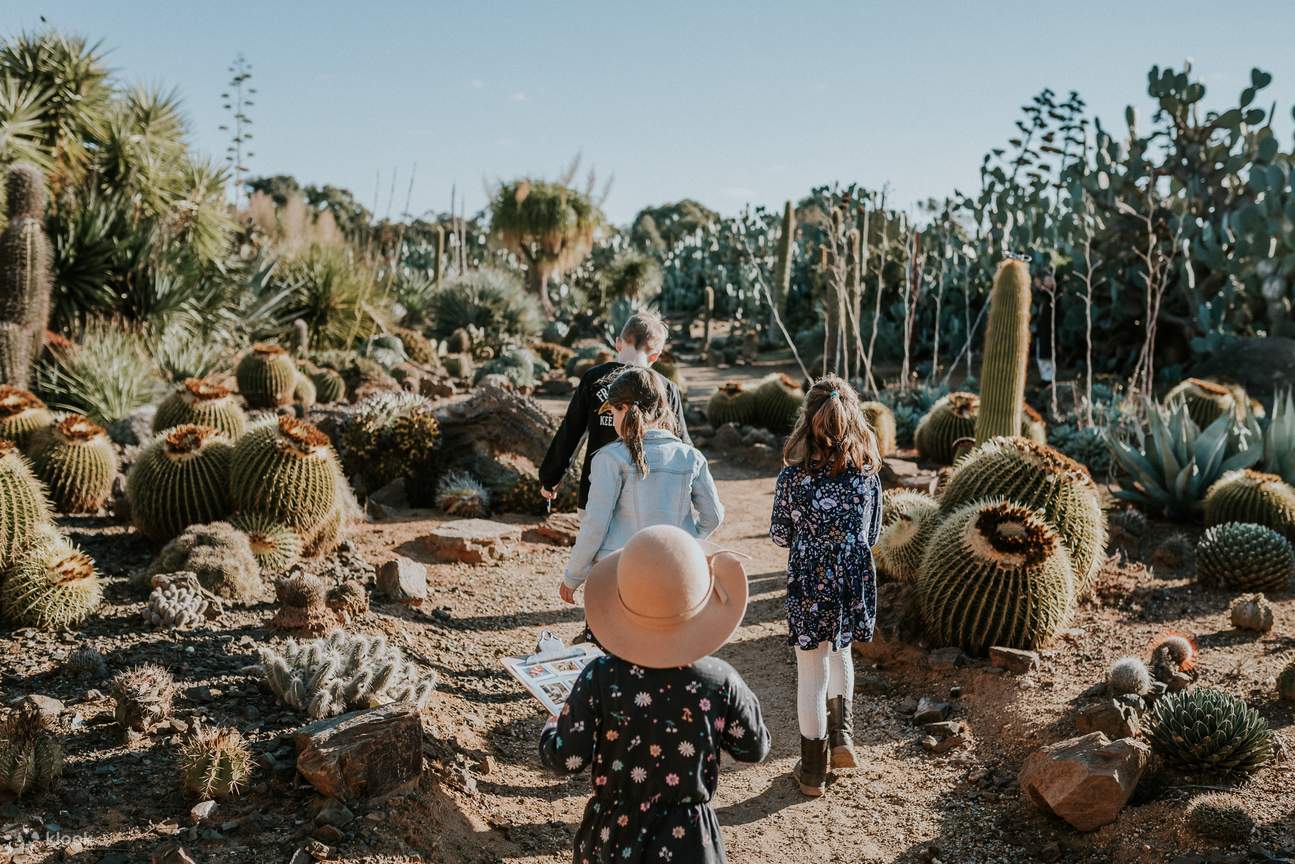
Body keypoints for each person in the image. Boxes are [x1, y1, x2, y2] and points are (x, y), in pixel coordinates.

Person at [540, 525, 770, 864]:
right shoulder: (720, 680)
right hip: (690, 843)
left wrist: (551, 726)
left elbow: (565, 758)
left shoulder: (601, 676)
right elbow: (753, 748)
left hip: (612, 839)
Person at [769, 375, 882, 797]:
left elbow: (781, 534)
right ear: (853, 418)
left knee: (810, 671)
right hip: (853, 575)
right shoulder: (867, 473)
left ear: (807, 420)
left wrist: (811, 540)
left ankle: (813, 772)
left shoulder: (794, 477)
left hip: (810, 576)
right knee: (842, 652)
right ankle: (843, 739)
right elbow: (871, 535)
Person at [559, 366, 722, 604]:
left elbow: (595, 525)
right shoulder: (690, 456)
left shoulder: (610, 458)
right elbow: (714, 516)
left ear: (624, 408)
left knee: (613, 638)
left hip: (620, 572)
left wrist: (573, 576)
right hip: (677, 569)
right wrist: (688, 540)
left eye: (613, 411)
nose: (613, 419)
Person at [539, 311, 689, 510]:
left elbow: (571, 430)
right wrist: (691, 488)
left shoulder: (594, 379)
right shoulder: (666, 387)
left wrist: (551, 477)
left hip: (597, 491)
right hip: (648, 496)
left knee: (595, 540)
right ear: (655, 355)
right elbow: (681, 442)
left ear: (618, 343)